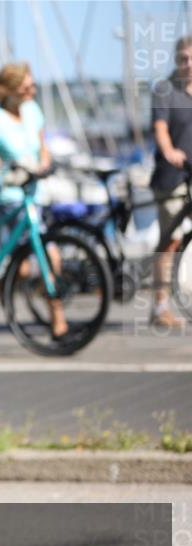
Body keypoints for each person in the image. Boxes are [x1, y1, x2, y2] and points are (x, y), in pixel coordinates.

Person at [0, 61, 68, 342]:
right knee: (21, 270)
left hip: (35, 195)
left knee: (52, 257)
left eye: (33, 85)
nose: (31, 91)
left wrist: (44, 165)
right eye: (26, 87)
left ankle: (58, 322)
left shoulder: (33, 111)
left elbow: (42, 148)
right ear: (9, 90)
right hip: (11, 199)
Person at [149, 36, 192, 328]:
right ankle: (160, 308)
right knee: (171, 242)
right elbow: (160, 128)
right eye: (182, 59)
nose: (187, 64)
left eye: (191, 59)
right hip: (172, 176)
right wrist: (169, 151)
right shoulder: (165, 90)